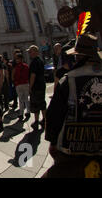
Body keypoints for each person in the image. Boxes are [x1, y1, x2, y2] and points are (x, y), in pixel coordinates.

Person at [44, 33, 102, 178]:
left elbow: (54, 115)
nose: (74, 58)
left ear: (80, 56)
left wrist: (52, 142)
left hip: (72, 151)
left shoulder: (68, 79)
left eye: (76, 56)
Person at [27, 45, 47, 130]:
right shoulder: (40, 61)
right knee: (42, 103)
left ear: (35, 52)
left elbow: (33, 75)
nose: (29, 54)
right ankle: (44, 120)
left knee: (36, 104)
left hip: (36, 86)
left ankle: (36, 121)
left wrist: (30, 87)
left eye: (30, 52)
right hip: (41, 85)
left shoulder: (34, 62)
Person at [12, 53, 31, 121]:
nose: (16, 60)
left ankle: (21, 113)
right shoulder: (26, 66)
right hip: (25, 83)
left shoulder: (16, 67)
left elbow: (13, 76)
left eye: (17, 58)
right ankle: (28, 112)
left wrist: (14, 81)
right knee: (26, 98)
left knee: (21, 99)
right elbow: (29, 75)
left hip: (19, 84)